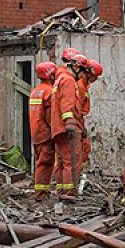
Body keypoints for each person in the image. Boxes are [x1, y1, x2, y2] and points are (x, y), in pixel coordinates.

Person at [49, 49, 86, 197]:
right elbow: (67, 103)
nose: (83, 76)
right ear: (77, 68)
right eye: (83, 72)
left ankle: (61, 190)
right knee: (72, 160)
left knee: (62, 162)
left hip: (58, 128)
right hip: (67, 128)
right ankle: (69, 193)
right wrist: (70, 122)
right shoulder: (69, 80)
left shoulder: (59, 79)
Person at [27, 61, 58, 196]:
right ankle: (41, 192)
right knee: (45, 163)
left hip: (35, 132)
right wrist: (55, 130)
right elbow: (50, 115)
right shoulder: (49, 92)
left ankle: (41, 190)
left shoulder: (35, 91)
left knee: (40, 161)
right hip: (45, 132)